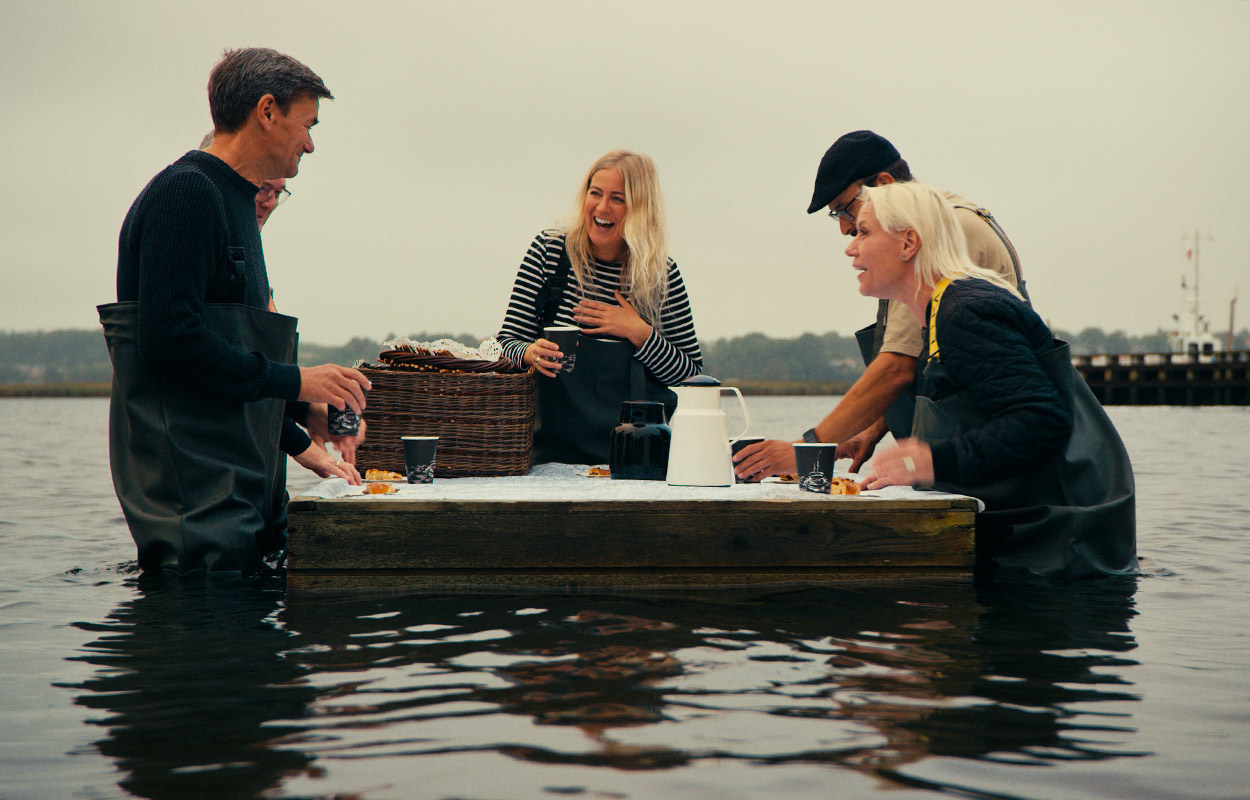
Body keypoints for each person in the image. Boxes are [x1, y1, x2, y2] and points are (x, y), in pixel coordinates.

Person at [99, 47, 371, 575]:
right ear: (266, 111)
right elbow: (169, 339)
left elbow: (231, 356)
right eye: (306, 124)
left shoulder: (237, 203)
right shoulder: (186, 193)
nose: (311, 144)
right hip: (195, 512)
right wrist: (295, 381)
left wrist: (299, 414)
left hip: (241, 498)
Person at [850, 181, 1136, 577]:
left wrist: (928, 462)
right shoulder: (942, 309)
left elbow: (1040, 421)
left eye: (863, 232)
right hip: (1028, 538)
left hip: (1062, 549)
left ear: (908, 243)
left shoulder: (966, 314)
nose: (851, 246)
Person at [735, 130, 1025, 481]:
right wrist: (871, 429)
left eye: (845, 210)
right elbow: (939, 360)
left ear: (884, 184)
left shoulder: (934, 231)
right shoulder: (943, 217)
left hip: (999, 475)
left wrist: (807, 450)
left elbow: (897, 367)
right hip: (982, 462)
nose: (845, 232)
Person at [497, 150, 704, 464]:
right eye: (595, 193)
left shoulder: (661, 274)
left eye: (618, 199)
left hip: (634, 460)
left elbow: (689, 374)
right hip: (547, 457)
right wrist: (530, 354)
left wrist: (639, 332)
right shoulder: (549, 252)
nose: (602, 207)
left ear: (640, 209)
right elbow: (503, 345)